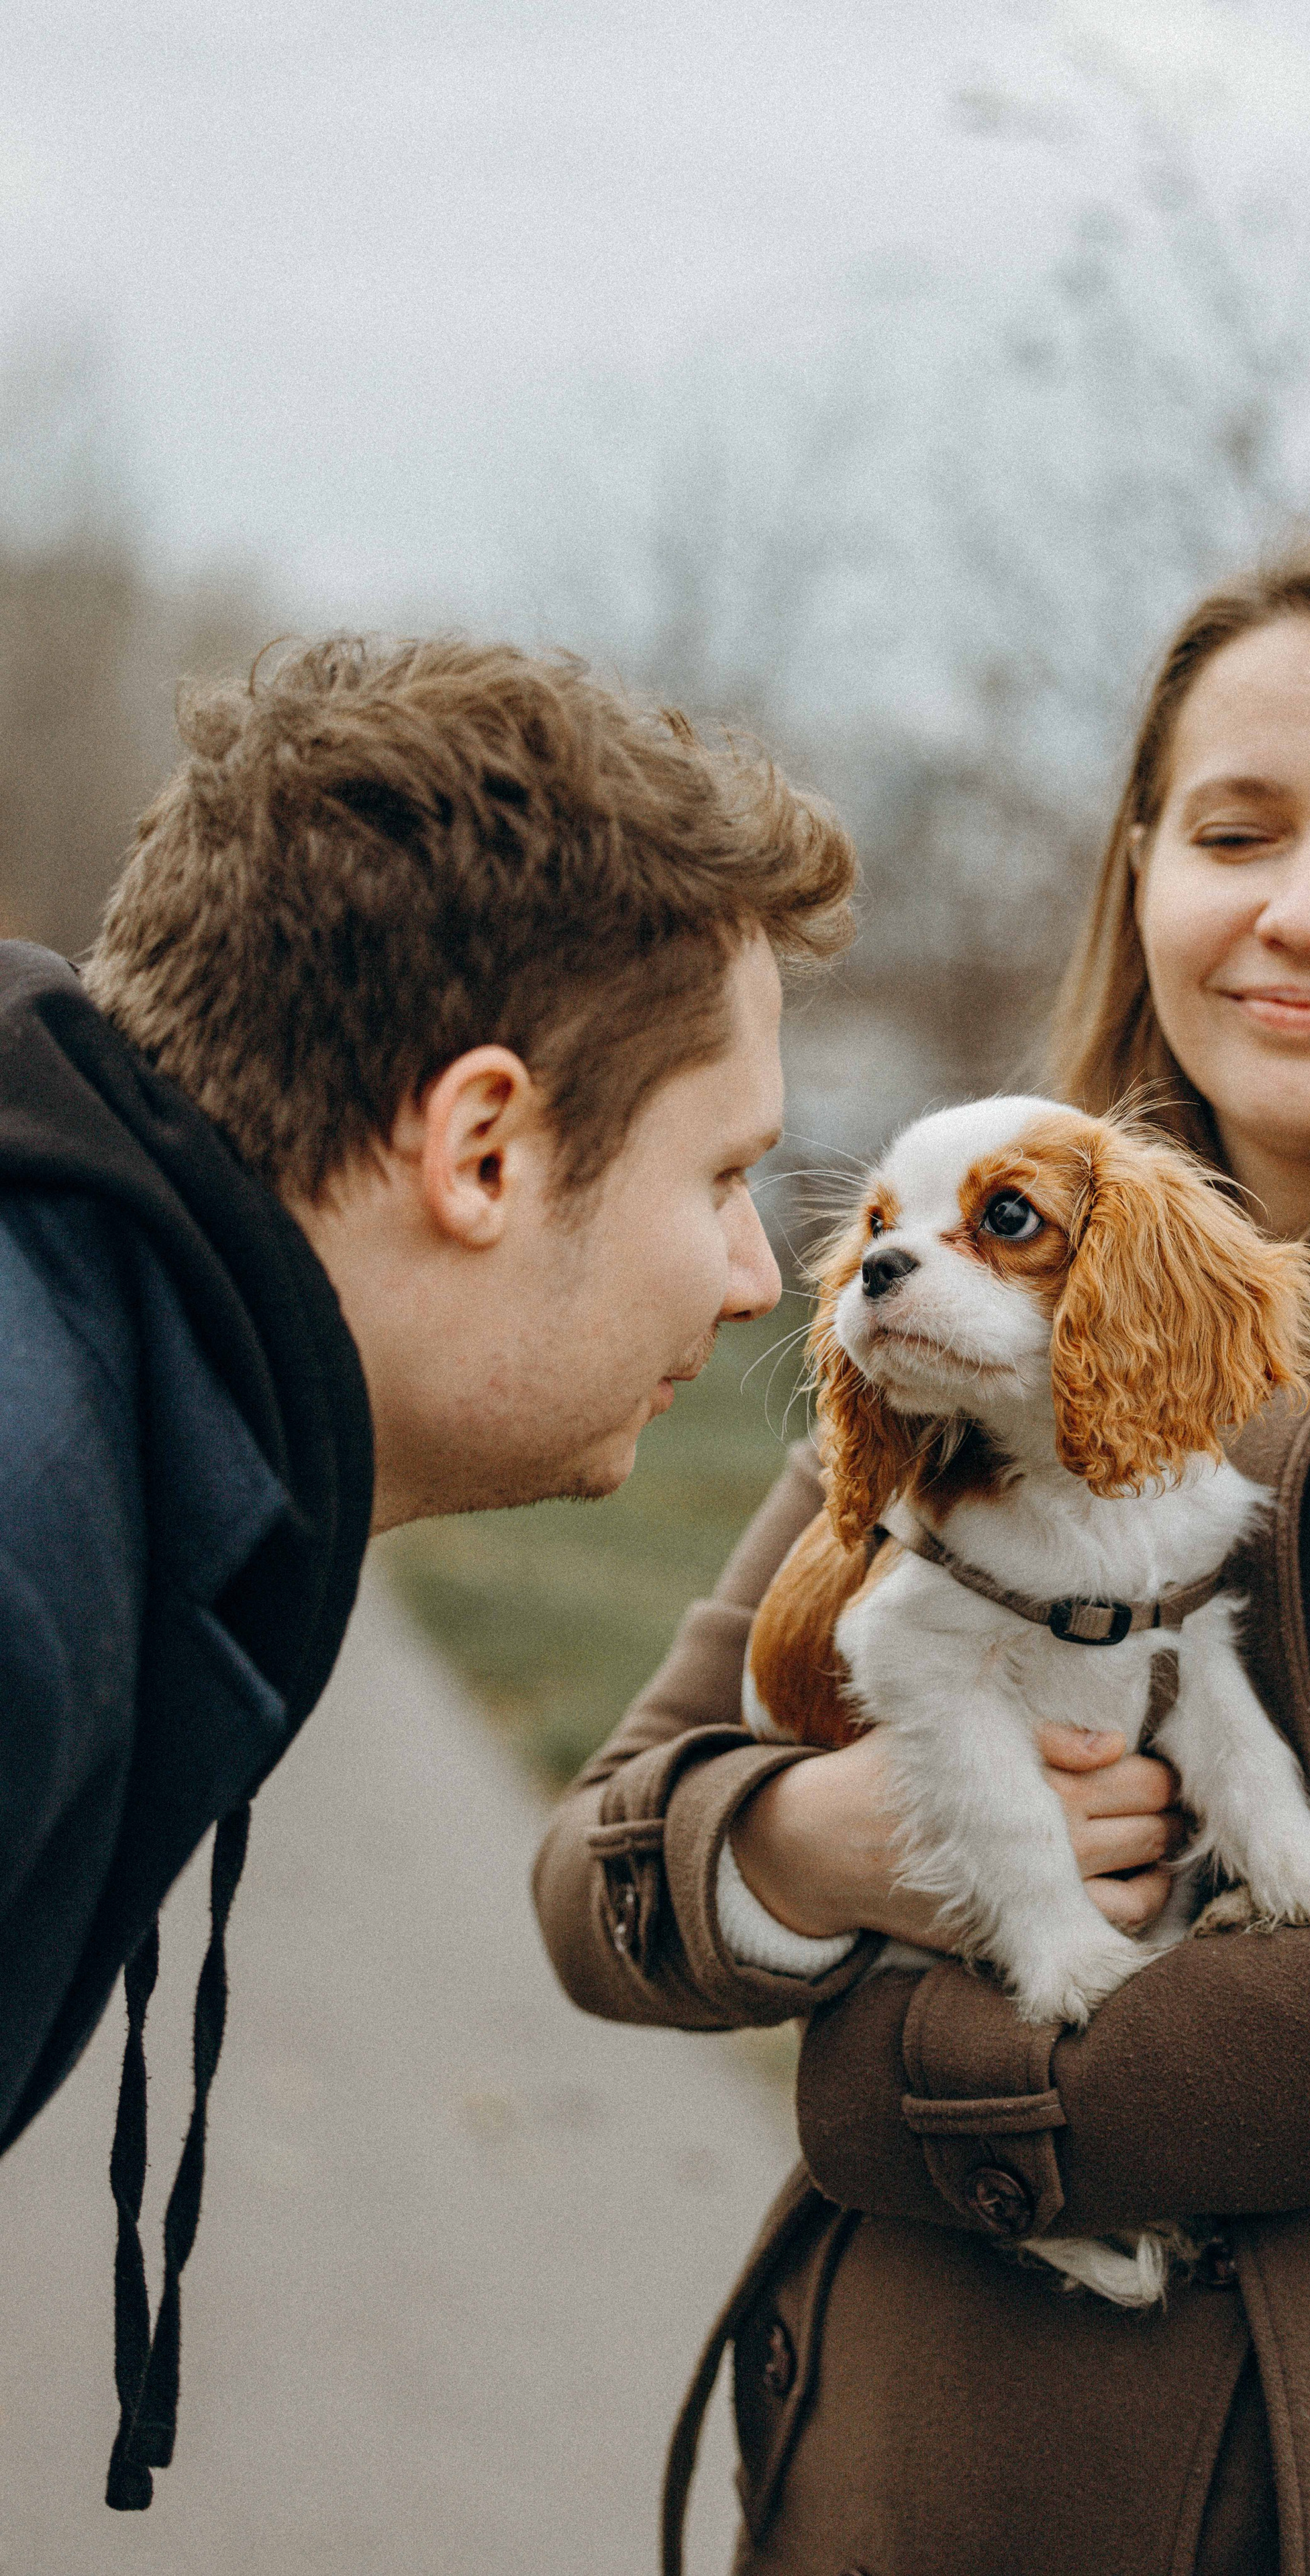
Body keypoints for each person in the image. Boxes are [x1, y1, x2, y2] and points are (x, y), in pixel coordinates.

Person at [533, 540, 1310, 2575]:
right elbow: (605, 1869)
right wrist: (816, 1846)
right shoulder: (966, 1278)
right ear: (1142, 862)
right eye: (1237, 830)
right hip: (888, 2469)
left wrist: (914, 2084)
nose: (1308, 912)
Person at [1, 635, 852, 2506]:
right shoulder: (30, 1525)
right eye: (723, 1178)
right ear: (480, 1148)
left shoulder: (114, 1387)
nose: (754, 1278)